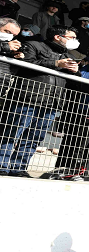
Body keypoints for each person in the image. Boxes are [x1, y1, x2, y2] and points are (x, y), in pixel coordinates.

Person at [0, 25, 81, 177]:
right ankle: (1, 165)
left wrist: (76, 73)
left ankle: (19, 167)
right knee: (12, 132)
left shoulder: (67, 55)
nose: (75, 41)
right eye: (72, 38)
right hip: (28, 98)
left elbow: (74, 82)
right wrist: (55, 64)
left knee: (34, 138)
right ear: (58, 37)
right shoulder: (33, 45)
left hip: (52, 103)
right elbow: (26, 64)